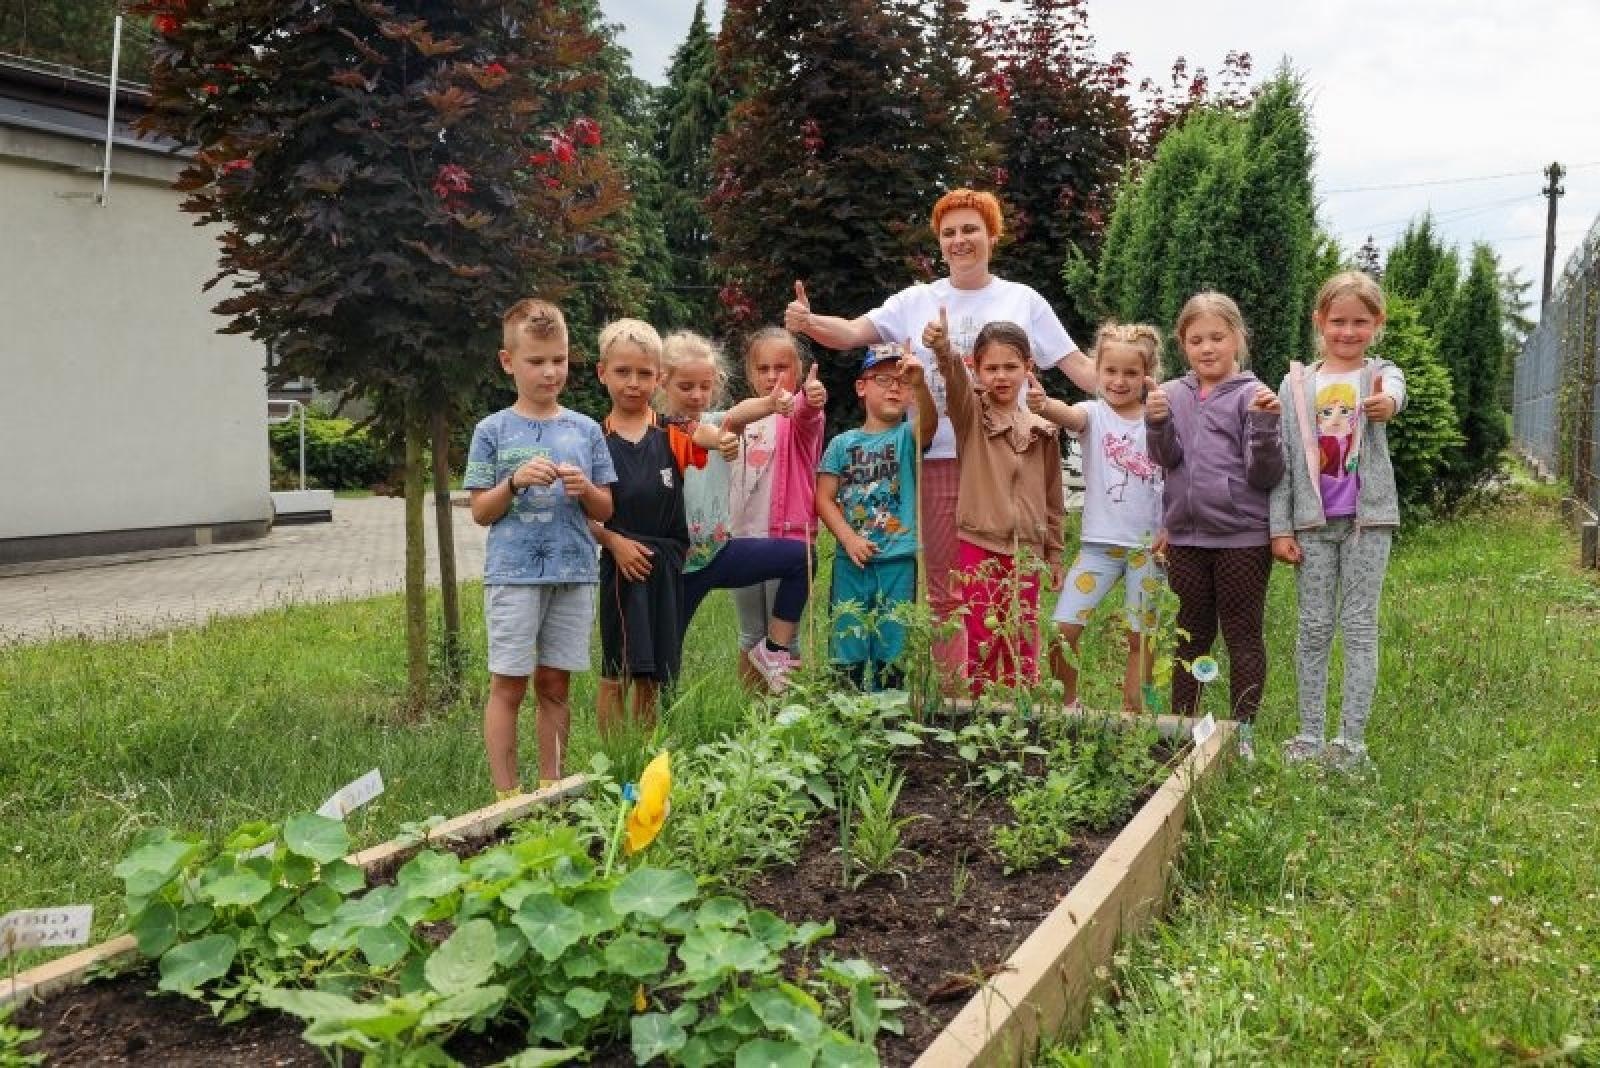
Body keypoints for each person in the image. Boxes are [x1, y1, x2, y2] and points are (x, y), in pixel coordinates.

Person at [784, 188, 1095, 693]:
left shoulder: (1023, 300)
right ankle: (956, 700)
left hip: (1001, 462)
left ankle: (1009, 693)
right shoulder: (917, 299)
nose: (960, 240)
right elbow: (852, 332)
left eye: (971, 229)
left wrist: (1134, 390)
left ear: (992, 235)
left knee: (1009, 588)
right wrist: (808, 322)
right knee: (947, 590)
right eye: (949, 232)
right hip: (934, 460)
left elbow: (1077, 365)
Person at [464, 298, 616, 798]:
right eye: (536, 361)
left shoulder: (587, 429)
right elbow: (481, 511)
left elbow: (606, 510)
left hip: (574, 574)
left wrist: (585, 490)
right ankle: (506, 796)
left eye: (560, 360)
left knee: (556, 684)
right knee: (509, 684)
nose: (550, 372)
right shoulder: (492, 430)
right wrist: (512, 483)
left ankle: (551, 788)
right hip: (513, 577)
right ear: (508, 361)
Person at [1270, 272, 1408, 771]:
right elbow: (1284, 458)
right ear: (1319, 322)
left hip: (1367, 523)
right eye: (1338, 321)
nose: (1348, 332)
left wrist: (1387, 404)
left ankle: (1350, 743)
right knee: (1312, 627)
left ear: (1377, 324)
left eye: (1360, 322)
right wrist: (1280, 528)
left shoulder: (1379, 375)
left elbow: (1395, 391)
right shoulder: (1296, 384)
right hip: (1311, 524)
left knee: (1358, 627)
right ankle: (1309, 735)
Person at [1145, 291, 1284, 758]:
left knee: (1242, 633)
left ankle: (1243, 730)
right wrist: (1157, 424)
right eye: (1196, 339)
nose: (1207, 348)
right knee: (1191, 632)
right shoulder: (1173, 394)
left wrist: (1265, 426)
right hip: (1185, 536)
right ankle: (1189, 727)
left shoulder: (1253, 394)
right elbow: (1166, 460)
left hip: (1241, 537)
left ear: (1238, 339)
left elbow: (1266, 474)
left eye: (1217, 338)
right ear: (1182, 343)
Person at [916, 311, 1064, 696]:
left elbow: (1053, 497)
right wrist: (944, 349)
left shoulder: (1043, 428)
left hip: (1027, 549)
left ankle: (1020, 717)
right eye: (991, 367)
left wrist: (1054, 553)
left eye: (1011, 367)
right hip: (979, 543)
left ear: (1028, 367)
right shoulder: (971, 416)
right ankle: (981, 715)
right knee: (983, 631)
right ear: (976, 369)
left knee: (1022, 633)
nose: (1001, 376)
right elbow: (955, 382)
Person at [589, 319, 723, 737]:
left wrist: (727, 439)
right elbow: (583, 512)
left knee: (653, 673)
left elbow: (714, 430)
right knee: (618, 670)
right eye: (623, 372)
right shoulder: (591, 438)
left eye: (645, 374)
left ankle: (645, 756)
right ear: (602, 373)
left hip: (665, 564)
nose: (634, 383)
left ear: (659, 378)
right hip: (621, 565)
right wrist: (613, 542)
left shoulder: (673, 431)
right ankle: (611, 762)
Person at [659, 330, 811, 692]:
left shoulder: (717, 421)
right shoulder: (654, 429)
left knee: (801, 558)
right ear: (663, 382)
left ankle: (774, 650)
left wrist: (771, 404)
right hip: (676, 566)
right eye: (686, 387)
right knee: (663, 660)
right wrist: (719, 439)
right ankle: (653, 735)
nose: (697, 395)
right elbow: (699, 437)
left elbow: (736, 415)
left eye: (705, 386)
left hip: (718, 553)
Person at [1030, 323, 1166, 714]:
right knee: (1063, 628)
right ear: (1097, 372)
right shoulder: (1093, 414)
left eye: (1130, 373)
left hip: (1148, 550)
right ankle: (1066, 707)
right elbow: (1067, 415)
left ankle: (1135, 716)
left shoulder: (1160, 419)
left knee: (1142, 636)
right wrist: (1042, 403)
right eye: (1110, 371)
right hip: (1099, 547)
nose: (1119, 381)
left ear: (1147, 376)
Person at [816, 345, 935, 690]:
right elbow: (823, 498)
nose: (895, 387)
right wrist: (848, 539)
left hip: (898, 561)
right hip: (850, 564)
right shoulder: (842, 444)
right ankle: (845, 720)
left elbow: (929, 423)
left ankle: (889, 723)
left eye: (902, 382)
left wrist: (921, 383)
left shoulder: (907, 437)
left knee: (892, 649)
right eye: (883, 379)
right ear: (861, 387)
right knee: (846, 647)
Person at [728, 328, 827, 690]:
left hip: (786, 540)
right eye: (763, 368)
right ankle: (752, 722)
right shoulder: (741, 416)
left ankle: (785, 722)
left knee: (784, 639)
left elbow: (807, 414)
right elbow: (725, 423)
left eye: (782, 367)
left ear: (798, 369)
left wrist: (812, 399)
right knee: (750, 635)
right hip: (743, 537)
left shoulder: (799, 415)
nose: (772, 376)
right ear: (750, 372)